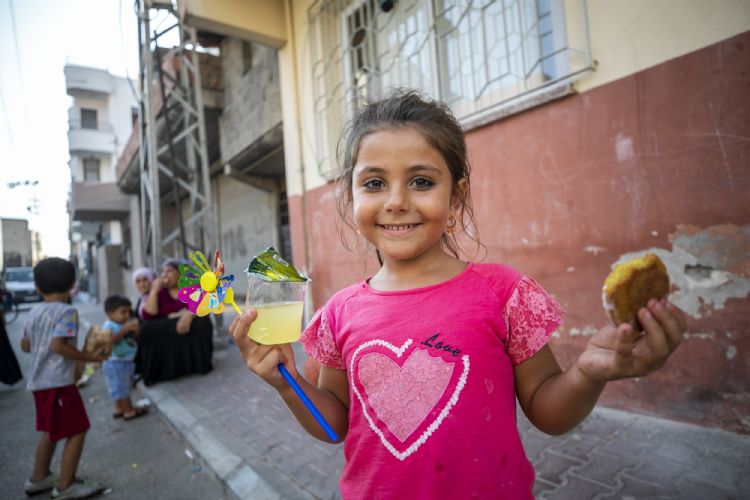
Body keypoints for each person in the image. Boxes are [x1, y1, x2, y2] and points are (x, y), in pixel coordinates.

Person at [229, 91, 687, 498]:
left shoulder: (502, 292)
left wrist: (588, 374)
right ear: (351, 201)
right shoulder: (339, 314)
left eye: (422, 181)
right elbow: (334, 425)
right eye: (374, 183)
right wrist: (285, 381)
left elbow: (549, 413)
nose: (395, 201)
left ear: (456, 198)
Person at [20, 257, 107, 499]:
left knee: (50, 429)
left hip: (39, 383)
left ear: (37, 287)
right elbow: (59, 346)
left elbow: (25, 345)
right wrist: (89, 357)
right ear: (72, 285)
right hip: (57, 383)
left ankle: (39, 478)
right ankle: (65, 486)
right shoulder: (67, 312)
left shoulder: (34, 311)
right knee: (78, 429)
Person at [137, 259, 213, 385]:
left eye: (169, 271)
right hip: (166, 328)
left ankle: (199, 365)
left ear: (180, 273)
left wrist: (188, 314)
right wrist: (154, 291)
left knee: (202, 321)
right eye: (163, 272)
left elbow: (205, 302)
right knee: (145, 329)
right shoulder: (160, 292)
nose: (164, 275)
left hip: (188, 325)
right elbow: (148, 315)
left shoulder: (191, 287)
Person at [101, 295, 148, 420]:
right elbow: (111, 340)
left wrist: (134, 329)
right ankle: (129, 411)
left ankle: (118, 408)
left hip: (124, 362)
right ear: (110, 314)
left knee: (120, 387)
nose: (127, 315)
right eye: (123, 312)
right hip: (116, 363)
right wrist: (124, 329)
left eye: (128, 311)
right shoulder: (109, 326)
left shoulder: (122, 323)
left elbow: (133, 336)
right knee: (122, 389)